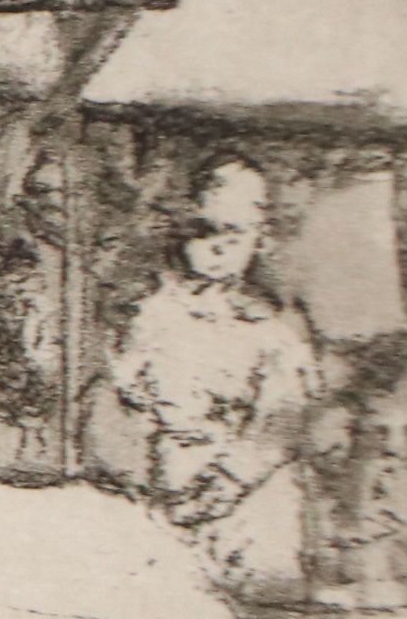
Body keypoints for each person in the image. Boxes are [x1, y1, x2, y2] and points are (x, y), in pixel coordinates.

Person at [107, 172, 325, 596]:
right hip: (169, 485)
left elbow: (283, 420)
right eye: (204, 232)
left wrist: (228, 481)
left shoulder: (275, 330)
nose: (218, 247)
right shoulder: (152, 317)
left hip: (251, 498)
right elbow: (125, 395)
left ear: (259, 240)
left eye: (234, 235)